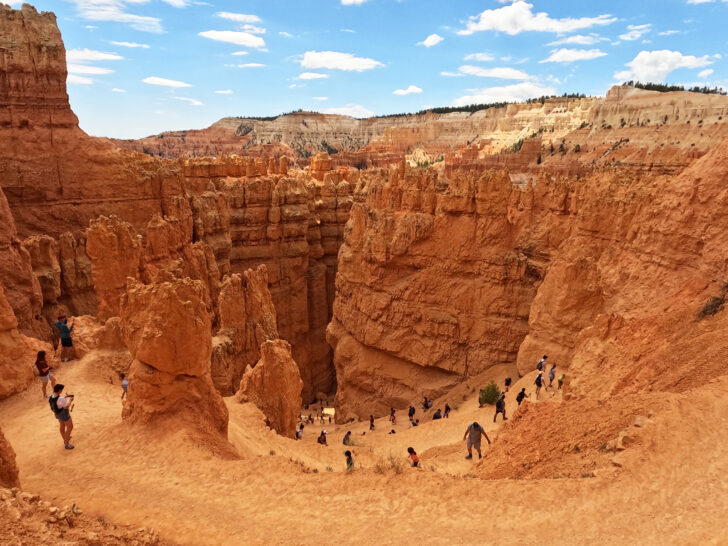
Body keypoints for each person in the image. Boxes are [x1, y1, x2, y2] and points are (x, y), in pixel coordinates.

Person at [49, 383, 74, 450]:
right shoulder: (61, 398)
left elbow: (58, 402)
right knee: (70, 427)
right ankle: (66, 444)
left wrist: (64, 398)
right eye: (61, 390)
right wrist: (70, 400)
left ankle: (65, 438)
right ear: (59, 390)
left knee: (62, 425)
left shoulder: (51, 396)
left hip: (57, 414)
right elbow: (67, 406)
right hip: (64, 414)